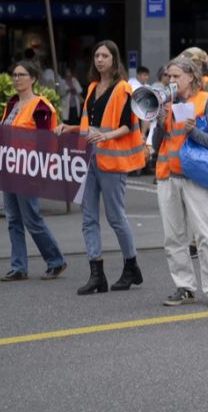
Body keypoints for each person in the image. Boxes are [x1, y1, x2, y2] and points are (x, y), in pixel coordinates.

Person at [56, 40, 146, 295]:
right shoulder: (93, 86)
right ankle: (97, 274)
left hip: (112, 160)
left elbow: (129, 124)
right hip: (90, 159)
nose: (99, 60)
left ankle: (131, 266)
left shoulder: (123, 88)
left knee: (116, 217)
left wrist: (106, 137)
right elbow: (88, 125)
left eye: (104, 55)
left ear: (114, 60)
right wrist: (69, 127)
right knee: (88, 218)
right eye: (96, 55)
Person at [153, 56, 208, 308]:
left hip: (196, 177)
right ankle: (184, 286)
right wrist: (160, 121)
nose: (171, 81)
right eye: (168, 77)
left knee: (206, 235)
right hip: (167, 174)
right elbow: (156, 145)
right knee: (173, 237)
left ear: (191, 77)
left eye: (175, 76)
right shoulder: (166, 103)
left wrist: (192, 131)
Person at [0, 61, 67, 282]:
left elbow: (45, 142)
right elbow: (9, 132)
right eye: (14, 74)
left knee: (31, 218)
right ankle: (19, 267)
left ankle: (55, 261)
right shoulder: (12, 103)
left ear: (33, 79)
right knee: (13, 219)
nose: (16, 78)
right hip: (9, 167)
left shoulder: (41, 106)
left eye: (21, 75)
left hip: (27, 169)